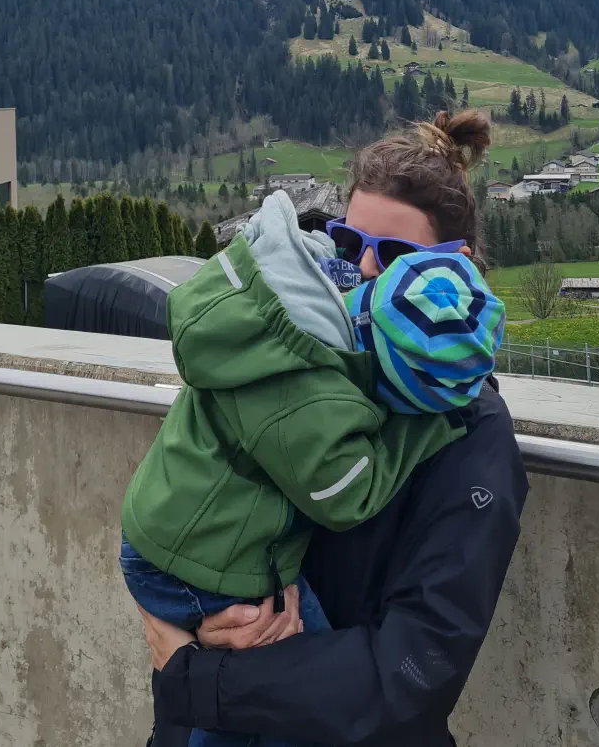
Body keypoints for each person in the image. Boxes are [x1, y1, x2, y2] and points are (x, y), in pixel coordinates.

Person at [137, 111, 530, 747]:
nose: (365, 271)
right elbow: (179, 498)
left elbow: (410, 671)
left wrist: (201, 676)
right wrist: (190, 610)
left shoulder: (473, 437)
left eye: (396, 255)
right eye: (349, 245)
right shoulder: (291, 357)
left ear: (455, 267)